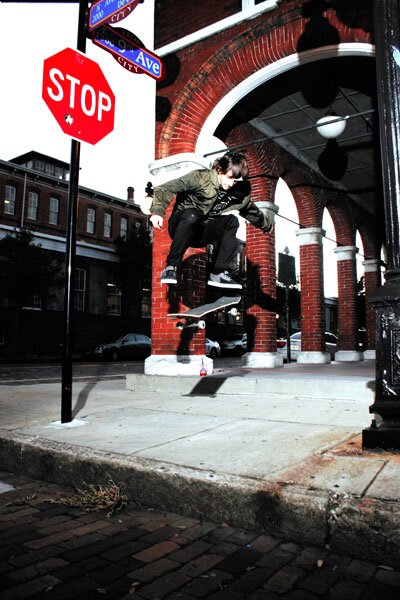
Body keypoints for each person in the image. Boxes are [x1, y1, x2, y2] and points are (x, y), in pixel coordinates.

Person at [149, 151, 273, 289]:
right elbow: (165, 188)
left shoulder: (239, 193)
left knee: (231, 221)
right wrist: (158, 211)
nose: (231, 183)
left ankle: (218, 273)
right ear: (220, 169)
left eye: (236, 180)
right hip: (181, 225)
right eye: (229, 177)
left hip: (201, 232)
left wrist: (266, 226)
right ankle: (171, 267)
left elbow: (251, 210)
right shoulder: (200, 178)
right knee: (192, 215)